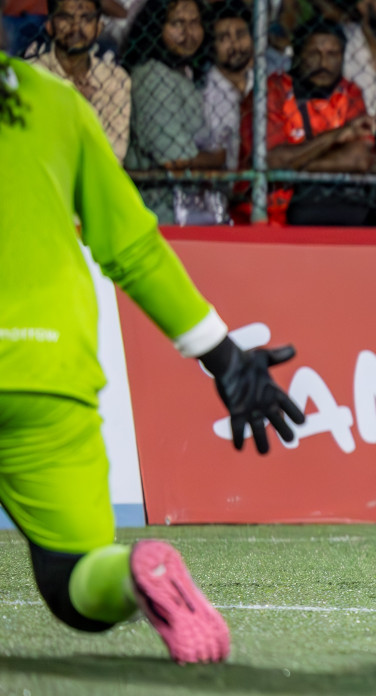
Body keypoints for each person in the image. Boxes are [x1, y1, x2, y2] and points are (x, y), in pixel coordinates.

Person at [0, 40, 305, 665]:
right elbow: (133, 247)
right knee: (74, 580)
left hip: (48, 368)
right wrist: (224, 357)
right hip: (47, 369)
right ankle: (133, 572)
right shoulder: (57, 101)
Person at [121, 0, 227, 224]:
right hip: (160, 212)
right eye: (177, 23)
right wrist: (218, 158)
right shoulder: (153, 76)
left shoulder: (184, 73)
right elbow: (175, 158)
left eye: (195, 23)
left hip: (185, 209)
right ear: (155, 27)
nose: (188, 33)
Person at [256, 20, 376, 226]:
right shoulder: (273, 90)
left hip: (339, 207)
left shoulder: (350, 92)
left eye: (332, 55)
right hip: (274, 215)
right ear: (297, 54)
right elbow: (271, 160)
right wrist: (335, 136)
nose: (323, 63)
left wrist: (293, 164)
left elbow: (360, 158)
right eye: (314, 53)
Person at [26, 0, 130, 161]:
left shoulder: (116, 79)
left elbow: (115, 153)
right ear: (50, 26)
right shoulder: (31, 73)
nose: (76, 28)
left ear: (99, 28)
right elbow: (30, 146)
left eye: (87, 19)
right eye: (65, 18)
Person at [200, 0, 253, 172]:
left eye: (240, 35)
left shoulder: (264, 83)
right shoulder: (203, 92)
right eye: (224, 38)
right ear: (211, 45)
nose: (235, 45)